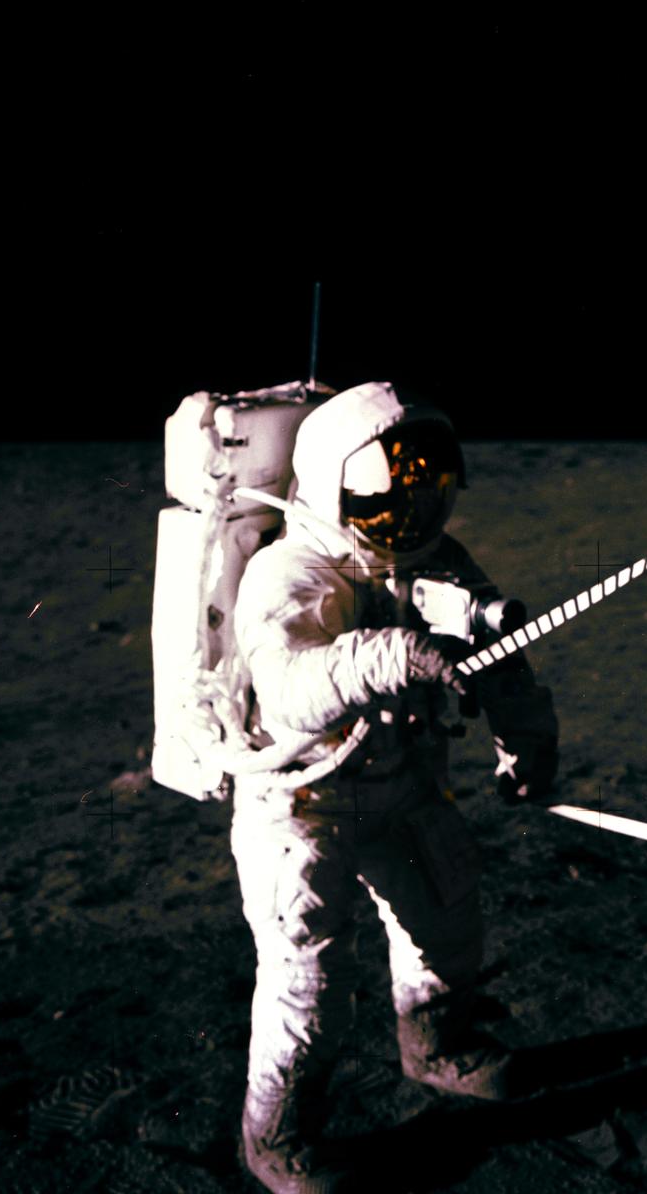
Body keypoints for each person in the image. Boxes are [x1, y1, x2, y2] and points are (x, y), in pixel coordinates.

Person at [231, 381, 559, 1193]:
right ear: (336, 485)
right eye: (389, 492)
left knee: (446, 924)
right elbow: (288, 690)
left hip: (402, 783)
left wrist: (527, 743)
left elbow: (501, 660)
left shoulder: (435, 564)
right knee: (309, 982)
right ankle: (278, 1137)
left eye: (425, 489)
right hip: (301, 804)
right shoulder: (288, 571)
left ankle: (437, 1046)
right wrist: (391, 655)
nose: (409, 509)